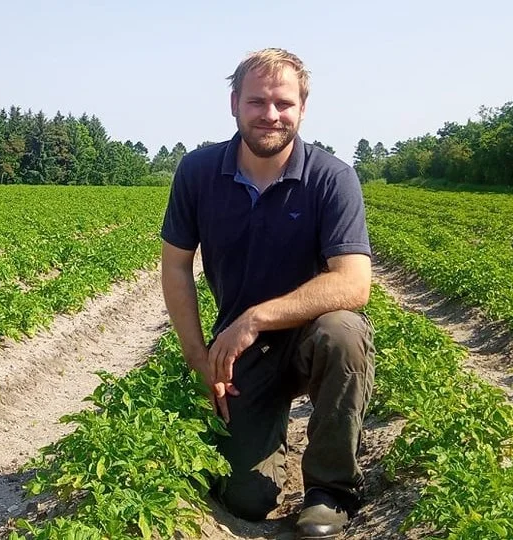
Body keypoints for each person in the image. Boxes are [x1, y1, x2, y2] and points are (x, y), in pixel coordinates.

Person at [160, 47, 375, 539]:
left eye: (284, 103)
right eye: (257, 102)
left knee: (342, 331)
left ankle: (330, 489)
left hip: (307, 340)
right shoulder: (198, 172)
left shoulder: (331, 177)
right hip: (243, 356)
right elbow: (175, 265)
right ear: (234, 103)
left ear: (302, 108)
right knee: (247, 498)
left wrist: (254, 318)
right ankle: (266, 446)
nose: (270, 115)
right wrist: (199, 358)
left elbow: (353, 282)